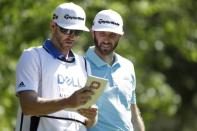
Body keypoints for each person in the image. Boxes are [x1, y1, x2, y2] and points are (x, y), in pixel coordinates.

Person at [15, 2, 97, 131]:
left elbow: (87, 122)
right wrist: (68, 102)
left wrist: (91, 118)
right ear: (53, 26)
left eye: (77, 32)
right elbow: (28, 106)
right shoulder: (32, 56)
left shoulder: (84, 63)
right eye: (66, 30)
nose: (71, 36)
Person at [85, 9, 145, 131]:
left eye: (112, 35)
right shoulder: (80, 65)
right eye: (102, 34)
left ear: (120, 36)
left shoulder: (128, 66)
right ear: (93, 33)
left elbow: (133, 113)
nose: (106, 40)